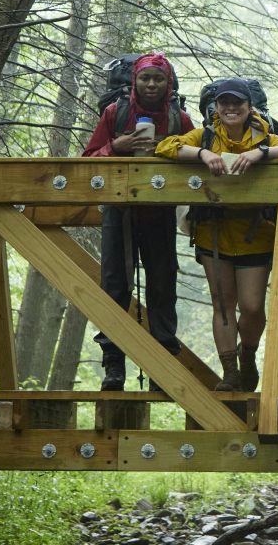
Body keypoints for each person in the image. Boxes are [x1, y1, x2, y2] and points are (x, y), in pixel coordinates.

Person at [155, 78, 278, 392]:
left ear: (249, 107)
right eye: (225, 103)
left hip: (256, 232)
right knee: (222, 304)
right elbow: (165, 146)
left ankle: (247, 354)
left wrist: (260, 154)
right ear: (217, 108)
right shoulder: (206, 136)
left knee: (252, 306)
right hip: (215, 232)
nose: (231, 108)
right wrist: (202, 155)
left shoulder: (265, 136)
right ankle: (231, 373)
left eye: (237, 103)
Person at [82, 53, 195, 391]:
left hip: (160, 213)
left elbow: (197, 159)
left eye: (158, 79)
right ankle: (113, 366)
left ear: (168, 83)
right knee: (115, 287)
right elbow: (87, 161)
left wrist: (170, 151)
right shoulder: (115, 114)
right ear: (135, 80)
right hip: (119, 212)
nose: (151, 85)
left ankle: (162, 366)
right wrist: (116, 146)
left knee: (163, 287)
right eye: (145, 78)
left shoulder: (180, 119)